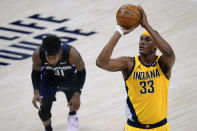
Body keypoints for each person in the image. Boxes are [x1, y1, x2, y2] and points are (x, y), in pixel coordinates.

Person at [96, 5, 175, 131]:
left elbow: (170, 54)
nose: (142, 42)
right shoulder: (129, 63)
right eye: (141, 39)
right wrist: (119, 32)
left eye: (147, 40)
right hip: (135, 128)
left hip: (161, 127)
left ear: (156, 45)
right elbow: (101, 62)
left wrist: (147, 26)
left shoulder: (163, 64)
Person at [31, 34, 86, 131]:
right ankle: (48, 129)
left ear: (60, 52)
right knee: (43, 111)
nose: (51, 61)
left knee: (73, 103)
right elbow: (35, 72)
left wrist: (78, 93)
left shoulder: (72, 54)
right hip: (48, 80)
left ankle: (72, 117)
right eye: (49, 58)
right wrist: (36, 91)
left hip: (68, 78)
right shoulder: (38, 54)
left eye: (54, 57)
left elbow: (81, 71)